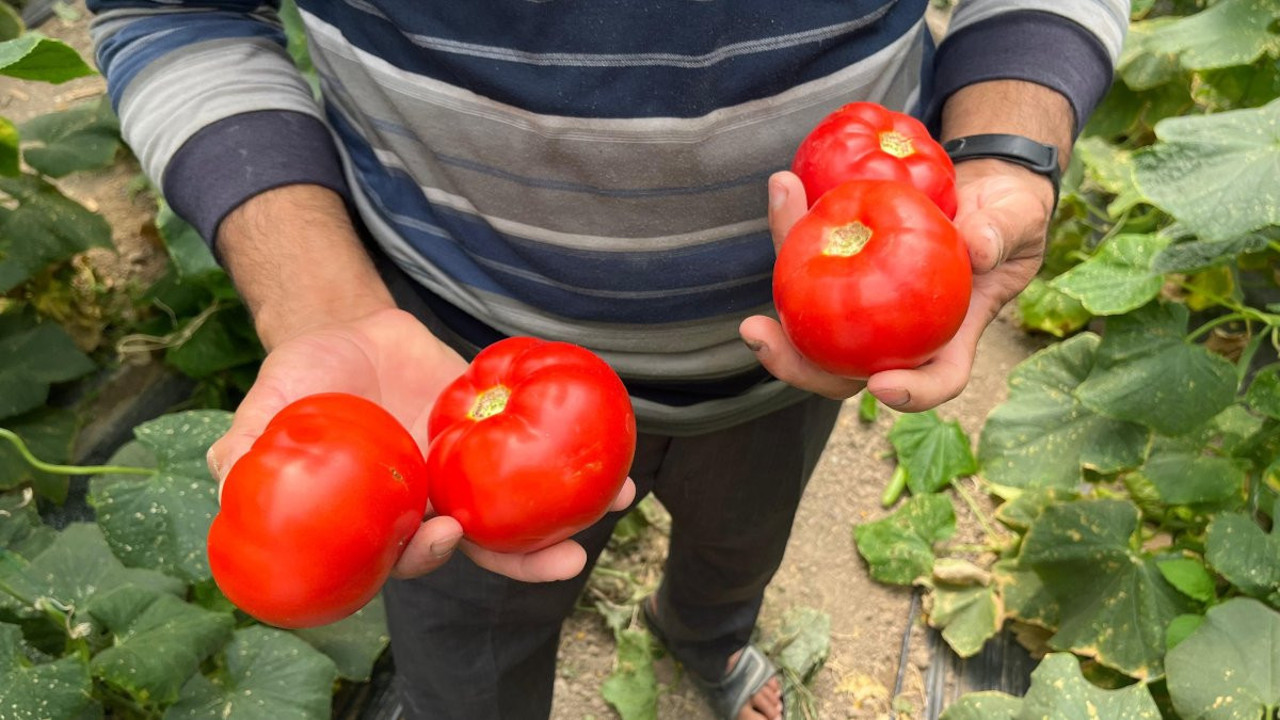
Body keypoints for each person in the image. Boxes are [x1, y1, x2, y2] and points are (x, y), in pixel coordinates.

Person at [87, 2, 1128, 719]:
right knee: (468, 639)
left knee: (739, 546)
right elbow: (176, 12)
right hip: (426, 373)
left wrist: (1005, 147)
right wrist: (319, 302)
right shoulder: (416, 436)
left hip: (786, 366)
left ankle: (706, 635)